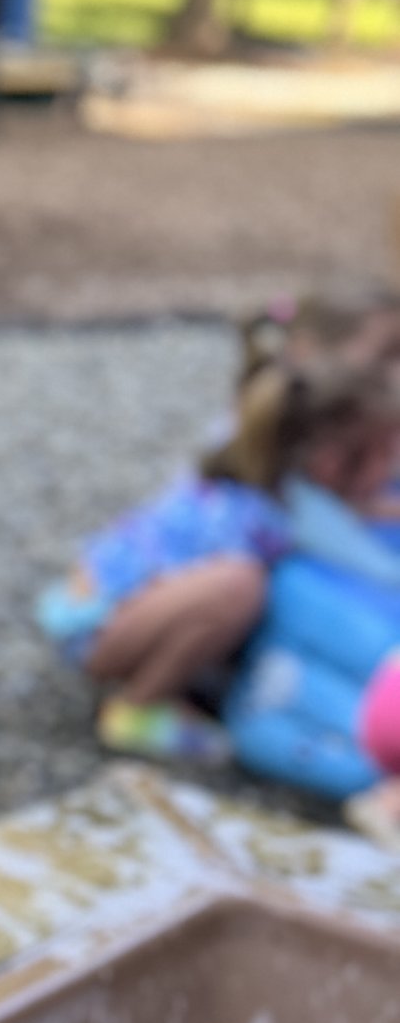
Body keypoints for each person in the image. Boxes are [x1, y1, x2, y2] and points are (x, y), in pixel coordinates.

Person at [38, 324, 400, 791]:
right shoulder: (272, 512)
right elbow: (374, 562)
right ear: (330, 460)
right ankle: (138, 707)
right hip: (97, 626)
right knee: (238, 586)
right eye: (387, 452)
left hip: (111, 605)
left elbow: (360, 511)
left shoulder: (265, 461)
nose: (392, 466)